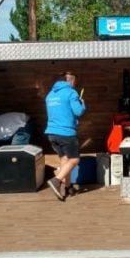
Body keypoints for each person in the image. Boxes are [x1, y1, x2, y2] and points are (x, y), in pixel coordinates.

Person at [44, 71, 86, 201]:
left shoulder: (50, 95)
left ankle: (67, 188)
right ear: (71, 81)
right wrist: (82, 103)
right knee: (74, 160)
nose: (74, 84)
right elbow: (78, 112)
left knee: (65, 160)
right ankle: (56, 181)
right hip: (66, 133)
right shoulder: (71, 92)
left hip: (51, 133)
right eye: (74, 82)